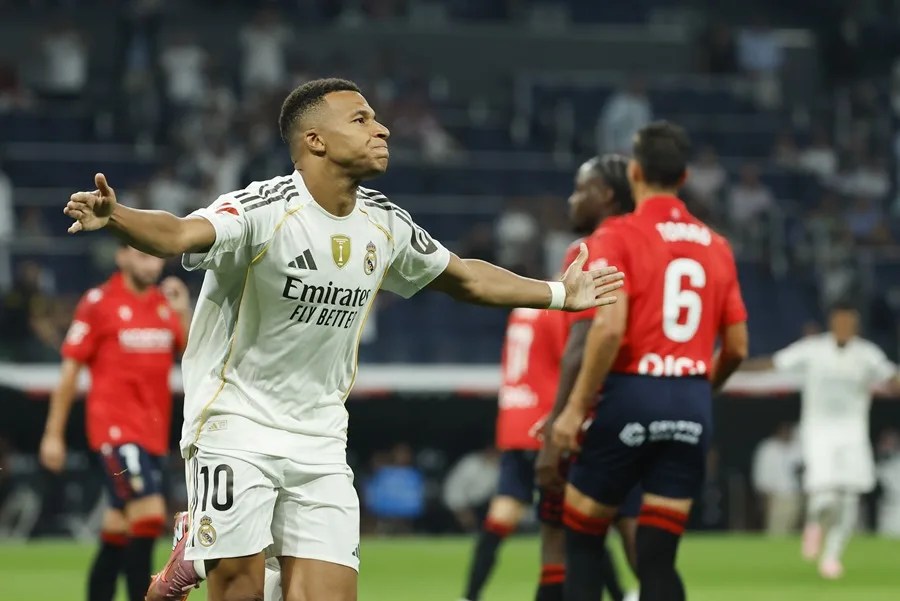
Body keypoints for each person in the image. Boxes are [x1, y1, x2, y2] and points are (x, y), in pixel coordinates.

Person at [62, 78, 625, 601]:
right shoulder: (265, 209)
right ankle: (203, 549)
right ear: (315, 141)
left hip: (321, 440)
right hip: (235, 426)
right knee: (243, 592)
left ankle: (202, 542)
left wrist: (557, 293)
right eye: (360, 120)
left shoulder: (385, 223)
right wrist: (118, 217)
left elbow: (467, 277)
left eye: (377, 119)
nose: (381, 129)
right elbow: (181, 231)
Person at [549, 121, 749, 601]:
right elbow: (738, 347)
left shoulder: (617, 234)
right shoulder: (717, 245)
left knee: (582, 537)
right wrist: (700, 388)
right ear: (683, 178)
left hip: (630, 396)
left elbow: (610, 328)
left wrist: (574, 409)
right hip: (691, 403)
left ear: (635, 171)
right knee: (658, 556)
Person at [38, 244, 190, 601]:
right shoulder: (98, 302)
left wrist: (183, 311)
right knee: (150, 516)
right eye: (140, 254)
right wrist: (53, 435)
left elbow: (190, 351)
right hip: (116, 432)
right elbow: (70, 370)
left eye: (155, 255)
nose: (149, 262)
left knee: (118, 529)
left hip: (152, 435)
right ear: (121, 256)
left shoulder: (163, 305)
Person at [742, 301, 900, 579]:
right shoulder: (813, 350)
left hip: (853, 432)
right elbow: (773, 363)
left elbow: (891, 377)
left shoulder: (866, 354)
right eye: (839, 322)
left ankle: (832, 557)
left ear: (856, 326)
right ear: (832, 323)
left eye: (849, 323)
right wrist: (733, 365)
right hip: (819, 431)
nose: (844, 328)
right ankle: (814, 524)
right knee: (825, 497)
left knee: (850, 497)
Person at [751, 422, 802, 535]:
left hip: (796, 495)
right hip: (775, 496)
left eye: (788, 430)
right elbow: (760, 475)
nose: (786, 433)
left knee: (794, 532)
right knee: (776, 531)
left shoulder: (797, 447)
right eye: (783, 430)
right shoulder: (768, 448)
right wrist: (764, 498)